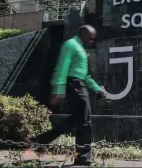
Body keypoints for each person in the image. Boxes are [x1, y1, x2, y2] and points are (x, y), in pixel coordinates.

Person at [33, 24, 106, 166]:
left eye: (93, 39)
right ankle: (83, 156)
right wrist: (58, 89)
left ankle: (41, 140)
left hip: (80, 85)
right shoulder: (71, 45)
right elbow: (62, 67)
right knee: (85, 121)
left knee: (76, 119)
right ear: (83, 34)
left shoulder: (81, 49)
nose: (92, 41)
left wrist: (97, 89)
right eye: (90, 38)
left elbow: (85, 76)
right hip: (73, 85)